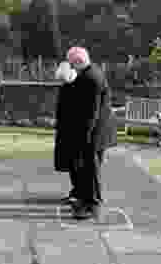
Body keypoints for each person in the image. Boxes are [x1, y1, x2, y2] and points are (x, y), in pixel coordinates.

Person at [66, 47, 117, 220]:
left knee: (91, 169)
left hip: (96, 132)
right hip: (97, 129)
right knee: (89, 168)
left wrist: (84, 136)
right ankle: (87, 201)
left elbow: (91, 112)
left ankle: (93, 205)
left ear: (78, 62)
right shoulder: (90, 72)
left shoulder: (91, 77)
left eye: (72, 64)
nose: (72, 68)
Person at [53, 61, 80, 205]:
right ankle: (75, 191)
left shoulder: (75, 88)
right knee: (71, 164)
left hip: (72, 132)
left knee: (76, 164)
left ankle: (78, 193)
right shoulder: (65, 88)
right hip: (65, 131)